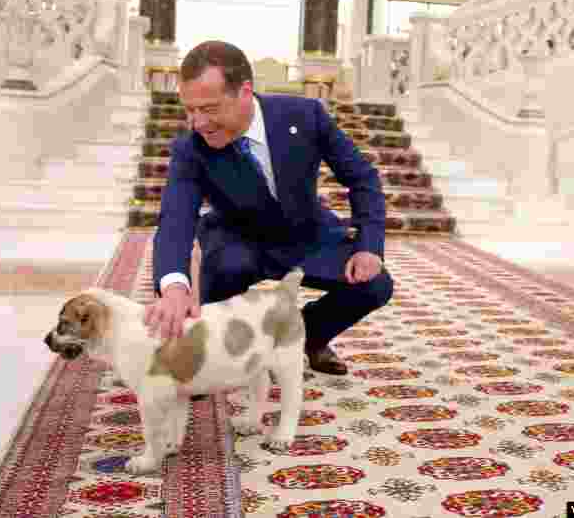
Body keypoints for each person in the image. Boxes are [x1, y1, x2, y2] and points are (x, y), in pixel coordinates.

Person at [143, 40, 393, 375]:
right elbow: (175, 219)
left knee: (375, 284)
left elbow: (363, 177)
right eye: (190, 110)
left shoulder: (305, 115)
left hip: (304, 233)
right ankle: (219, 349)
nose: (198, 123)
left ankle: (305, 337)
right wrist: (173, 287)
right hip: (236, 240)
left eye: (210, 108)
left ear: (244, 92)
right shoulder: (190, 149)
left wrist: (369, 247)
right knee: (224, 281)